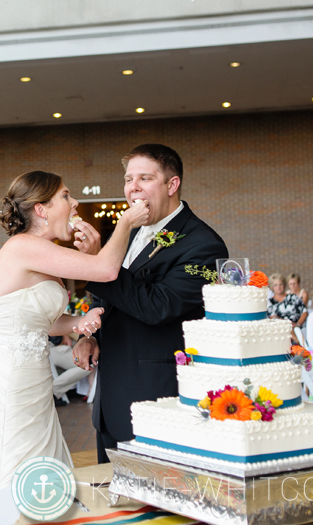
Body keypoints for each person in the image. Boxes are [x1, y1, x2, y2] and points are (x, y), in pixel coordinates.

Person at [0, 169, 152, 525]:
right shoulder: (23, 246)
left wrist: (77, 322)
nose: (75, 203)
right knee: (11, 459)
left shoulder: (43, 252)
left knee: (39, 460)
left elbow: (39, 321)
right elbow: (106, 268)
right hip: (11, 384)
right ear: (41, 209)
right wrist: (126, 221)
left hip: (33, 383)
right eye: (66, 196)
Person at [72, 143, 228, 465]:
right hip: (110, 400)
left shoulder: (203, 244)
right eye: (129, 179)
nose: (133, 188)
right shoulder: (129, 236)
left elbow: (159, 306)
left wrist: (104, 253)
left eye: (145, 178)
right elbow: (107, 299)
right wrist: (90, 336)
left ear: (172, 185)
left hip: (156, 397)